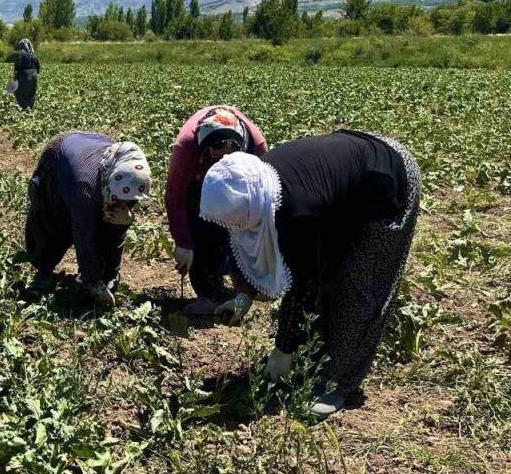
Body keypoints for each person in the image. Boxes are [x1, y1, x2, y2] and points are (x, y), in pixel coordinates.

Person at [199, 131, 421, 419]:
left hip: (388, 177)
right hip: (346, 178)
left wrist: (283, 349)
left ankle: (339, 385)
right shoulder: (255, 184)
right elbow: (245, 238)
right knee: (327, 272)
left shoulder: (295, 210)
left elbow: (302, 284)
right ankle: (312, 357)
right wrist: (244, 294)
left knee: (358, 289)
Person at [24, 132, 151, 309]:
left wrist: (110, 274)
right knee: (53, 221)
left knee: (111, 220)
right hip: (60, 154)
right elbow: (83, 235)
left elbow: (115, 230)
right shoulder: (86, 187)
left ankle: (105, 274)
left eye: (129, 201)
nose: (125, 204)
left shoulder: (130, 182)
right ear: (109, 184)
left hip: (93, 149)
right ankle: (44, 270)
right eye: (119, 199)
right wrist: (92, 281)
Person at [165, 107, 268, 315]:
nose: (222, 163)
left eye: (229, 157)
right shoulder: (186, 149)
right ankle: (207, 293)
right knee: (200, 222)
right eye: (217, 157)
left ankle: (243, 284)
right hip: (198, 182)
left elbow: (265, 195)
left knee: (242, 221)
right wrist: (183, 243)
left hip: (242, 181)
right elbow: (175, 198)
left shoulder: (256, 147)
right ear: (205, 150)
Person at [9, 38, 40, 110]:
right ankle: (29, 108)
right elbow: (38, 66)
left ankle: (23, 108)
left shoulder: (20, 53)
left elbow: (18, 65)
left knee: (21, 92)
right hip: (34, 75)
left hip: (24, 75)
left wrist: (15, 76)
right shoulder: (33, 54)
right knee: (31, 92)